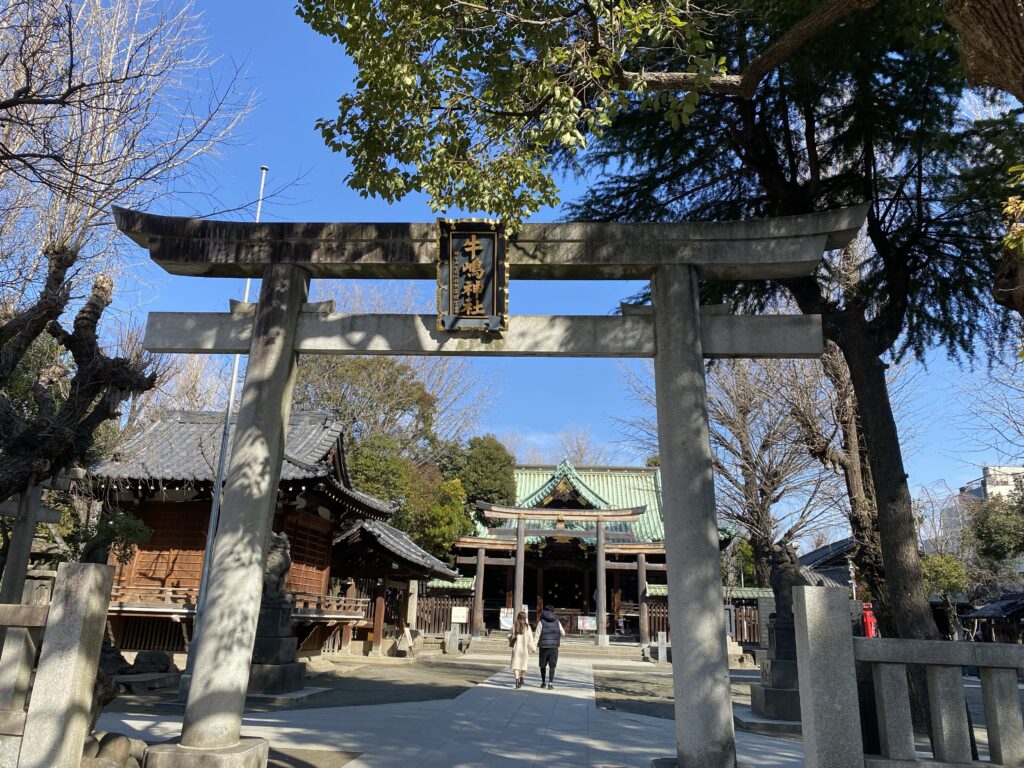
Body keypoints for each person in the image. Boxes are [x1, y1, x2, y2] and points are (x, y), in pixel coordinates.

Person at [533, 604, 565, 690]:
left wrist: (534, 645)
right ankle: (550, 684)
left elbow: (537, 635)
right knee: (552, 666)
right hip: (554, 647)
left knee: (542, 665)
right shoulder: (557, 621)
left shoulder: (541, 622)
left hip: (543, 647)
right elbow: (563, 633)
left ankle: (543, 682)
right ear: (553, 611)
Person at [508, 610, 535, 689]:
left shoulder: (514, 626)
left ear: (518, 617)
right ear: (525, 618)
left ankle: (517, 681)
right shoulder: (527, 627)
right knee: (523, 665)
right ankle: (521, 678)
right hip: (524, 650)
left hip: (516, 649)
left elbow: (509, 636)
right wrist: (533, 648)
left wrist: (512, 638)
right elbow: (530, 640)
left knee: (516, 666)